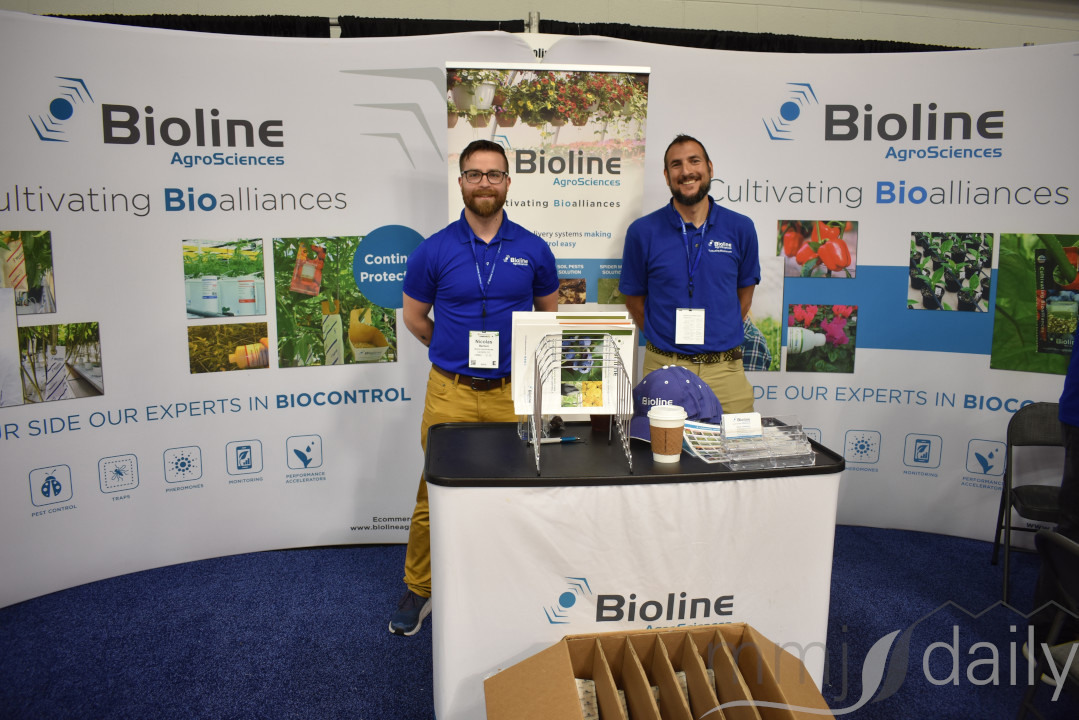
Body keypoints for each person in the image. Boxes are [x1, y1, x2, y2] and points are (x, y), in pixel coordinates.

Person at [389, 139, 559, 636]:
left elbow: (548, 317)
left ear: (508, 182)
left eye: (494, 174)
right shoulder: (434, 249)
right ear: (461, 181)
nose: (485, 182)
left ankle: (509, 582)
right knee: (433, 494)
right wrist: (451, 355)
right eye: (475, 174)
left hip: (511, 394)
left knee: (516, 492)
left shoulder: (533, 249)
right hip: (451, 392)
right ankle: (420, 587)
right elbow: (415, 318)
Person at [619, 134, 760, 413]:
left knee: (736, 441)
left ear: (710, 168)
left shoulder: (740, 228)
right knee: (660, 442)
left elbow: (744, 297)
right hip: (664, 367)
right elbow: (634, 301)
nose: (686, 171)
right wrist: (665, 341)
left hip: (725, 371)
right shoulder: (642, 232)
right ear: (666, 175)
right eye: (676, 165)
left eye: (694, 161)